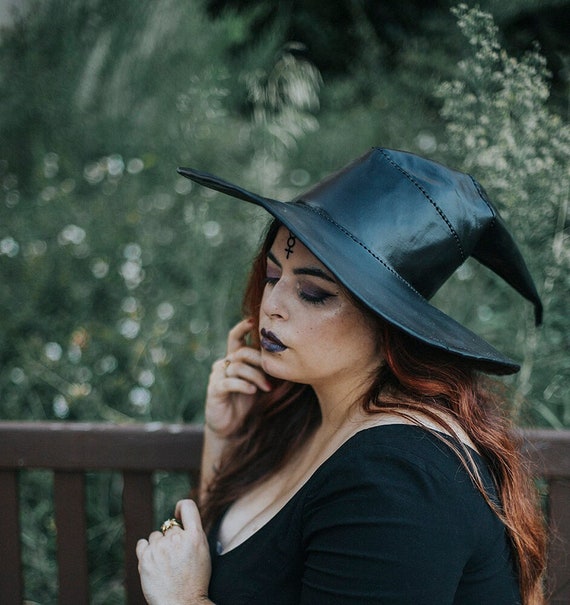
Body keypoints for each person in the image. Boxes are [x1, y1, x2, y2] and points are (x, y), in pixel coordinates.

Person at [136, 147, 547, 604]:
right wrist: (226, 437)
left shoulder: (398, 476)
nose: (272, 304)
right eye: (273, 275)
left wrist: (183, 600)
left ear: (389, 321)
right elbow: (226, 562)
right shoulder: (310, 414)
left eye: (313, 293)